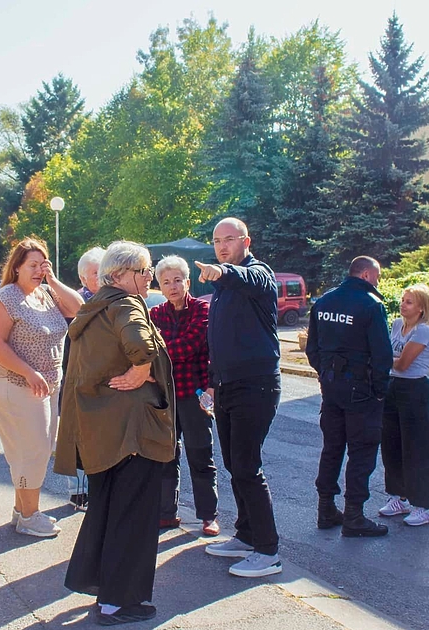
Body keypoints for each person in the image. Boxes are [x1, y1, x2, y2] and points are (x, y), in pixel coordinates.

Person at [56, 240, 176, 625]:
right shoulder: (125, 304)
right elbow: (140, 343)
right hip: (133, 433)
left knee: (108, 513)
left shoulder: (93, 308)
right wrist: (143, 368)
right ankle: (117, 603)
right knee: (132, 518)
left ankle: (107, 594)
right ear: (120, 275)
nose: (148, 278)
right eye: (143, 271)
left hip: (102, 433)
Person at [194, 218, 284, 578]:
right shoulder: (224, 286)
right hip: (228, 385)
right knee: (235, 465)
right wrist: (214, 382)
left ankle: (268, 551)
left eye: (229, 239)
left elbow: (251, 279)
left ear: (246, 240)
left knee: (247, 467)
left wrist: (221, 271)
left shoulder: (256, 272)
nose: (222, 245)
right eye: (217, 241)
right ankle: (246, 536)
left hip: (256, 384)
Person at [0, 238, 83, 537]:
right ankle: (30, 515)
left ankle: (21, 511)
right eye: (33, 265)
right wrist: (28, 372)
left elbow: (79, 308)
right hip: (15, 383)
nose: (39, 270)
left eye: (43, 264)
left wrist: (52, 279)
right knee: (34, 450)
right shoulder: (5, 298)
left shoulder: (46, 294)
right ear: (16, 267)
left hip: (46, 385)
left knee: (33, 449)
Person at [305, 256, 394, 538]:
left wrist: (326, 374)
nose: (377, 282)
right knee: (361, 452)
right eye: (376, 277)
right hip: (361, 392)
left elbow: (312, 348)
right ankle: (354, 515)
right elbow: (382, 355)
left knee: (332, 448)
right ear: (367, 274)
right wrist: (379, 391)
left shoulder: (324, 302)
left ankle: (326, 509)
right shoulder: (371, 304)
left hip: (331, 389)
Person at [150, 255, 219, 536]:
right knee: (166, 456)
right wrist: (159, 352)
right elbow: (147, 347)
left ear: (187, 282)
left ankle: (208, 516)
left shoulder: (202, 310)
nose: (172, 286)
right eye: (166, 282)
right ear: (160, 287)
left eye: (177, 280)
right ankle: (167, 514)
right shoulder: (155, 315)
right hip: (165, 396)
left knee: (201, 455)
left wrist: (161, 351)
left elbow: (189, 345)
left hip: (196, 393)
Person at [378, 283, 429, 527]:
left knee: (417, 447)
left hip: (414, 390)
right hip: (393, 387)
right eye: (403, 300)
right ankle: (398, 496)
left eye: (410, 302)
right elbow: (393, 360)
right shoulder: (396, 325)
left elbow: (403, 364)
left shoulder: (423, 331)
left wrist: (380, 359)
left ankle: (423, 505)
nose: (403, 305)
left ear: (422, 309)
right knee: (391, 444)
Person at [64, 246, 106, 511]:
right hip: (78, 380)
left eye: (104, 271)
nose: (101, 276)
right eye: (95, 272)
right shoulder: (74, 304)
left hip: (105, 382)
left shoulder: (111, 301)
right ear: (82, 278)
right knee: (77, 437)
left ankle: (98, 490)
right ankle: (78, 493)